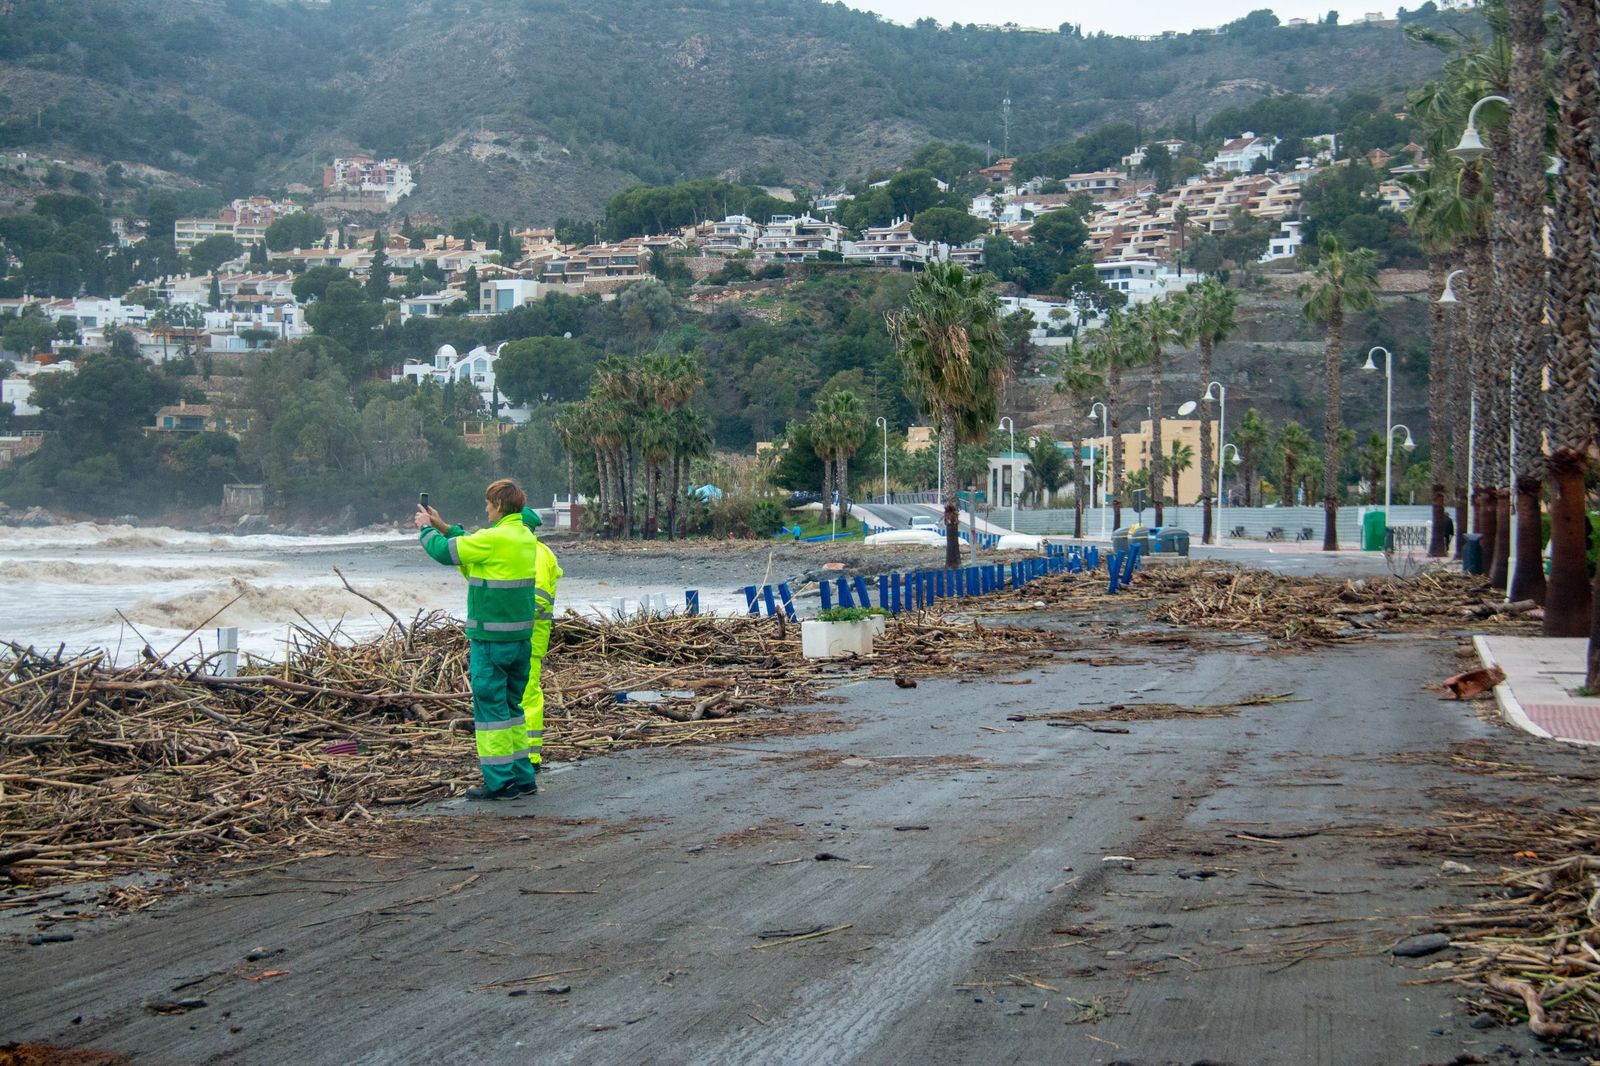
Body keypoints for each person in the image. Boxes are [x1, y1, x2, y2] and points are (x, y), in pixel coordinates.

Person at [416, 479, 553, 800]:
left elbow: (445, 552)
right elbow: (470, 541)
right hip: (521, 640)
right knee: (513, 708)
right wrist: (443, 526)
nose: (485, 507)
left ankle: (500, 782)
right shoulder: (524, 537)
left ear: (499, 505)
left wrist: (425, 529)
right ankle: (523, 777)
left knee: (491, 713)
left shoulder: (494, 539)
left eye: (489, 503)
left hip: (491, 641)